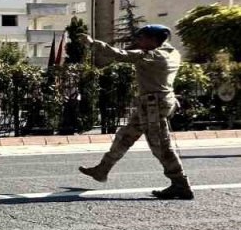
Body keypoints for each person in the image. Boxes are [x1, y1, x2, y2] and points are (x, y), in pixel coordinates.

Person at [78, 25, 193, 199]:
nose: (138, 41)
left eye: (141, 37)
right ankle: (102, 170)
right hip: (152, 104)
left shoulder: (152, 56)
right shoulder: (172, 53)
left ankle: (180, 183)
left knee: (160, 146)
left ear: (153, 40)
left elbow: (120, 55)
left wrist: (92, 43)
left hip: (153, 105)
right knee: (125, 136)